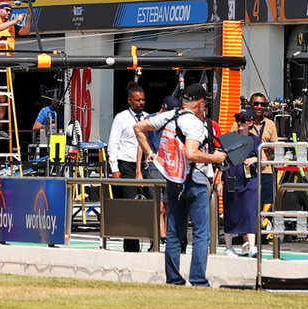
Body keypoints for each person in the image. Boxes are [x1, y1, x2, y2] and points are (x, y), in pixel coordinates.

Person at [138, 83, 228, 287]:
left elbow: (139, 127)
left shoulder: (169, 116)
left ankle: (173, 278)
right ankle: (198, 279)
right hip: (195, 179)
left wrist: (150, 153)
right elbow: (191, 153)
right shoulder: (195, 123)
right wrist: (215, 158)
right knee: (201, 233)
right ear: (201, 103)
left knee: (174, 233)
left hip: (173, 180)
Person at [105, 81, 156, 253]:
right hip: (126, 164)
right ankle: (131, 246)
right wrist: (114, 168)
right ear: (129, 100)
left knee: (150, 203)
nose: (141, 103)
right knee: (131, 205)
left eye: (143, 100)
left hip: (146, 165)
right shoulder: (121, 118)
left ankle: (153, 242)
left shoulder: (149, 118)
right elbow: (113, 143)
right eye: (137, 100)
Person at [220, 110, 262, 255]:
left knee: (250, 210)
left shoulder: (255, 140)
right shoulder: (230, 138)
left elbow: (264, 158)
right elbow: (221, 160)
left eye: (243, 120)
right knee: (230, 210)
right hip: (231, 178)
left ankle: (252, 246)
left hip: (249, 179)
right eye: (238, 119)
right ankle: (228, 247)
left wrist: (254, 159)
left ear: (250, 122)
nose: (240, 123)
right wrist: (219, 181)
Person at [247, 92, 279, 208]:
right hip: (247, 170)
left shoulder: (270, 124)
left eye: (262, 104)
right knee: (248, 201)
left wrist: (263, 146)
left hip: (266, 169)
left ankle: (263, 218)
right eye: (256, 103)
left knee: (266, 201)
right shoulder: (242, 122)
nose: (259, 107)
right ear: (250, 105)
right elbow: (233, 142)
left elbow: (276, 146)